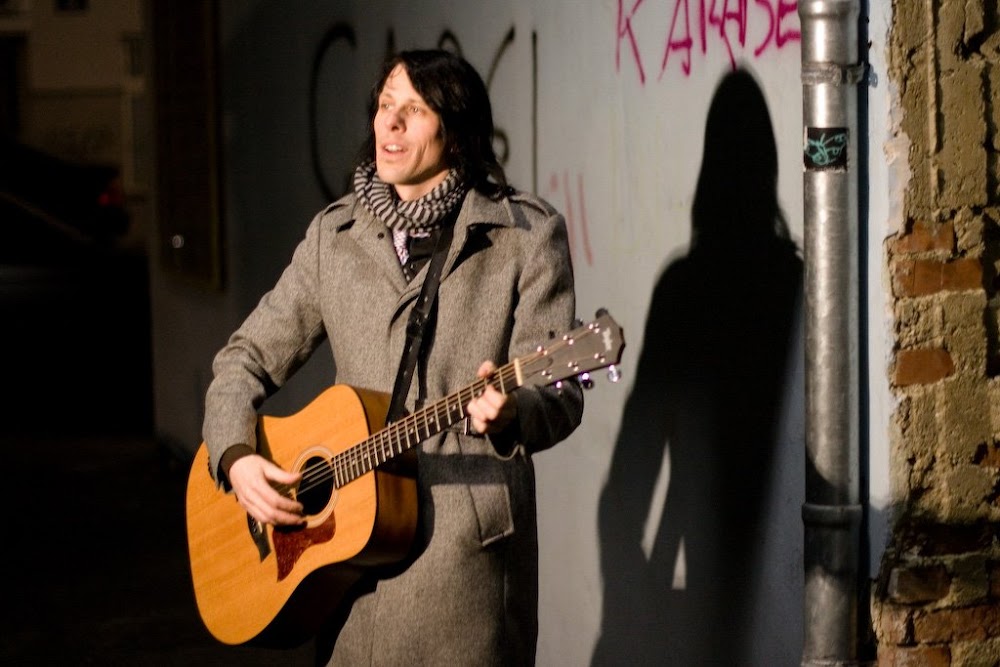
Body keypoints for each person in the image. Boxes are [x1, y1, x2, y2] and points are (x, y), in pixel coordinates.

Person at [201, 48, 584, 665]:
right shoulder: (335, 237)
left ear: (455, 131)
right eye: (385, 106)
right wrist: (236, 457)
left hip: (462, 568)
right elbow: (243, 358)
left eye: (416, 109)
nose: (391, 123)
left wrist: (513, 411)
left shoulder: (525, 236)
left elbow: (560, 395)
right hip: (347, 564)